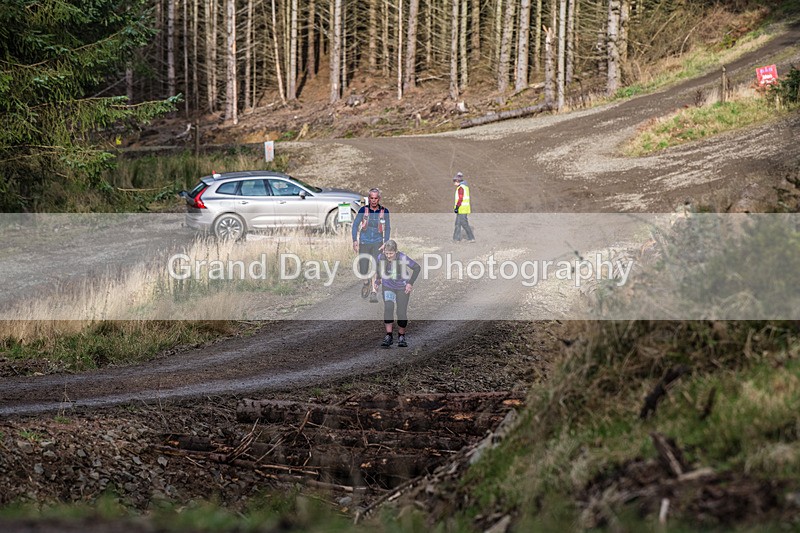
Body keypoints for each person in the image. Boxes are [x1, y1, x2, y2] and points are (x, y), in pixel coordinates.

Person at [376, 240, 421, 348]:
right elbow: (378, 268)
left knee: (401, 312)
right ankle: (389, 336)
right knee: (388, 307)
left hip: (402, 287)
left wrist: (410, 283)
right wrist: (378, 280)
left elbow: (417, 267)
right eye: (386, 253)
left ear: (396, 251)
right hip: (388, 286)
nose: (388, 256)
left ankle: (401, 336)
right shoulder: (381, 257)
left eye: (391, 253)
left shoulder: (402, 257)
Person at [352, 187, 391, 303]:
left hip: (378, 242)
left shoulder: (384, 212)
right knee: (363, 269)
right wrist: (355, 240)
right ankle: (366, 282)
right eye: (371, 198)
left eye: (376, 198)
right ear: (369, 198)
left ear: (379, 199)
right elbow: (355, 226)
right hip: (364, 241)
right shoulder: (363, 210)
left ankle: (374, 291)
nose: (373, 200)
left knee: (375, 267)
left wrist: (386, 242)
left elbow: (387, 228)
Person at [452, 172, 475, 243]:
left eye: (454, 181)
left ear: (458, 181)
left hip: (462, 209)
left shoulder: (461, 188)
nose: (454, 183)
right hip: (462, 209)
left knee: (464, 224)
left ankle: (471, 238)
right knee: (457, 224)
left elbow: (460, 199)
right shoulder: (464, 187)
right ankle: (456, 239)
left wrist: (457, 207)